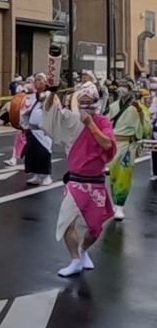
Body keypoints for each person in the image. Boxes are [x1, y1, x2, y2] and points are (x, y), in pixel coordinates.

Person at [39, 86, 116, 277]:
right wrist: (51, 94)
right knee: (67, 223)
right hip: (75, 182)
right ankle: (74, 260)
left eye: (89, 101)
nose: (85, 105)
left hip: (96, 182)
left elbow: (107, 144)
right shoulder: (70, 119)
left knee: (95, 229)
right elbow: (51, 114)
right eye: (82, 101)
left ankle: (83, 251)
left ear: (97, 101)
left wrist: (91, 125)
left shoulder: (102, 121)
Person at [105, 81, 148, 221]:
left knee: (124, 174)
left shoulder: (137, 107)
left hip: (128, 145)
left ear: (130, 89)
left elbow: (145, 127)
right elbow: (103, 120)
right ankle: (114, 203)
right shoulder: (113, 106)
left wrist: (140, 111)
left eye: (125, 86)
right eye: (120, 85)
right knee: (113, 175)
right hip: (114, 143)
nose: (121, 88)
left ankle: (120, 206)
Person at [20, 73, 56, 186]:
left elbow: (50, 108)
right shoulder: (32, 96)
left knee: (43, 152)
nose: (37, 82)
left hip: (43, 130)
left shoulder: (49, 94)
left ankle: (47, 176)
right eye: (36, 80)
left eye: (40, 80)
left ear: (45, 82)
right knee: (32, 153)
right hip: (32, 129)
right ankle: (36, 175)